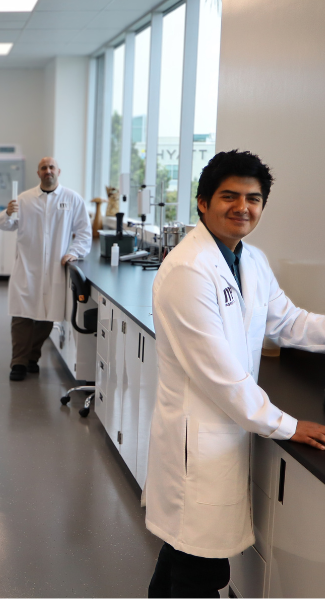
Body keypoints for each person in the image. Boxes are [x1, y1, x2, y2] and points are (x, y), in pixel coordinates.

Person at [144, 150, 325, 597]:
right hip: (200, 435)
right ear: (202, 202)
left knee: (184, 552)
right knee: (200, 568)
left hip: (227, 428)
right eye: (229, 196)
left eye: (253, 198)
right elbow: (221, 376)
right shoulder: (189, 269)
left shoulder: (251, 260)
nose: (242, 207)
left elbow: (288, 322)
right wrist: (288, 425)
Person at [0, 157, 91, 381]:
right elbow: (4, 225)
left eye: (51, 167)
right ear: (38, 173)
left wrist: (74, 252)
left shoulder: (72, 199)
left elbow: (84, 232)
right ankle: (18, 362)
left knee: (47, 316)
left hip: (55, 268)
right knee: (21, 315)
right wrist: (8, 213)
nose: (48, 171)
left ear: (59, 171)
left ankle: (32, 358)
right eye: (43, 168)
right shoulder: (24, 199)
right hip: (28, 267)